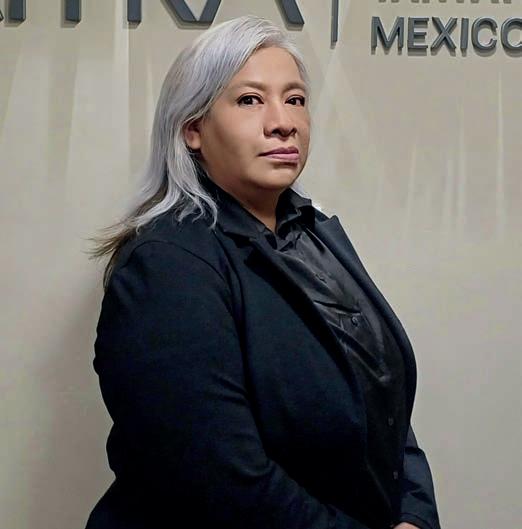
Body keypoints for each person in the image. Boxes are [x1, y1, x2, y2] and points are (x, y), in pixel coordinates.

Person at [86, 15, 441, 529]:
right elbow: (221, 482)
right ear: (192, 129)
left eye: (295, 99)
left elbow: (382, 401)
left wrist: (415, 515)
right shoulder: (165, 266)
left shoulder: (313, 232)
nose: (283, 122)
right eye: (250, 100)